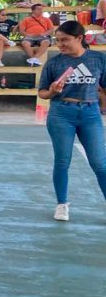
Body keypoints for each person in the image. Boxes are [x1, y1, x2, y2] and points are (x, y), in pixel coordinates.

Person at [37, 20, 106, 221]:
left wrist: (102, 104)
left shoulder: (98, 59)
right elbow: (42, 93)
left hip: (90, 114)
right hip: (61, 114)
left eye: (65, 40)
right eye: (57, 41)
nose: (60, 44)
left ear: (80, 38)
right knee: (62, 161)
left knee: (100, 163)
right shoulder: (54, 62)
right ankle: (61, 204)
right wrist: (52, 91)